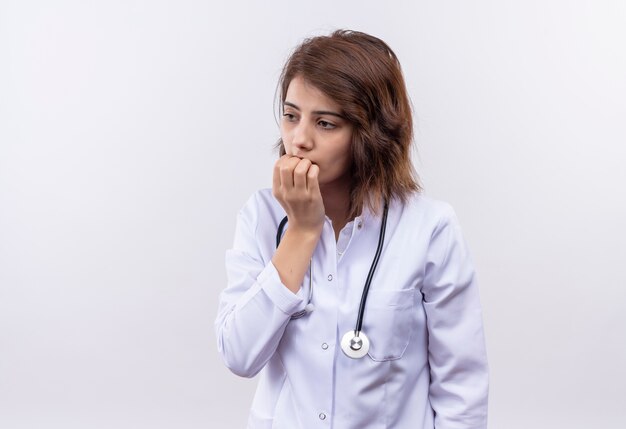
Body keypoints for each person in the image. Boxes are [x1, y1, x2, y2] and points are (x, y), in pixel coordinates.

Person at [215, 29, 488, 428]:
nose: (299, 140)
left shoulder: (430, 228)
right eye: (291, 116)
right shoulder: (261, 217)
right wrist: (302, 233)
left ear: (372, 133)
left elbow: (462, 389)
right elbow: (239, 355)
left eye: (325, 123)